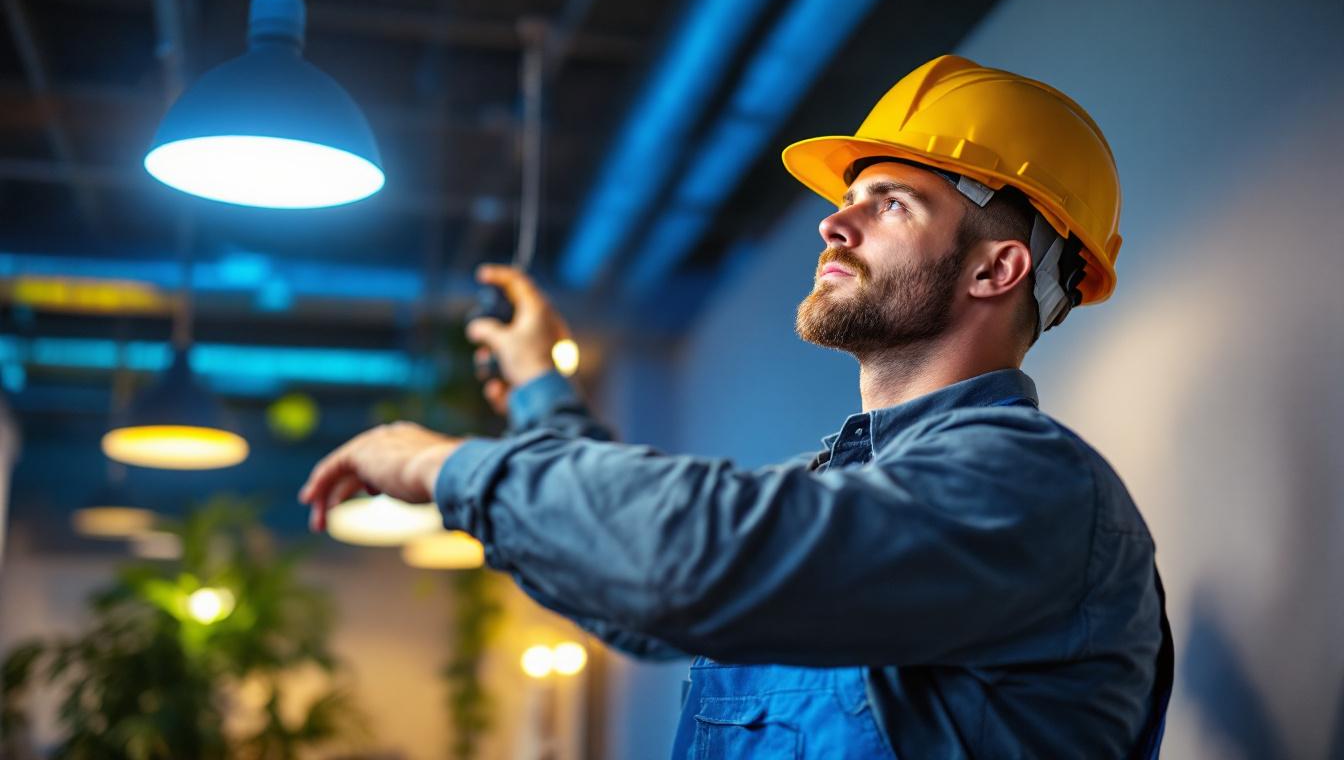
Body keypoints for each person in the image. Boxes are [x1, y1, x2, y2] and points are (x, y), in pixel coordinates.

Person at [300, 55, 1172, 758]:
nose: (834, 224)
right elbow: (638, 578)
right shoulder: (851, 490)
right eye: (844, 200)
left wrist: (436, 464)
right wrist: (540, 391)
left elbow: (688, 559)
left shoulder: (1037, 490)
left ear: (997, 269)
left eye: (890, 202)